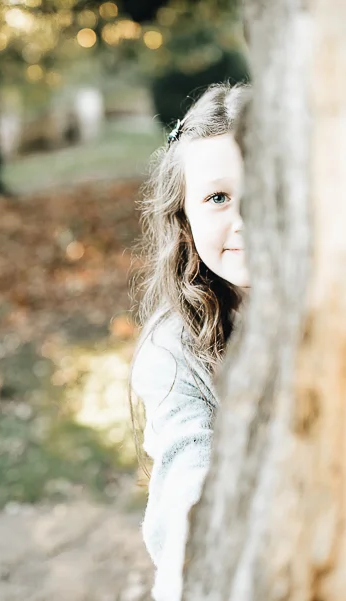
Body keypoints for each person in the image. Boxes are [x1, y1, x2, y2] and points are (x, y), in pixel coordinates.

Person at [130, 82, 251, 601]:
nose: (247, 219)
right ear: (185, 220)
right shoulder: (173, 350)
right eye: (218, 197)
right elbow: (187, 462)